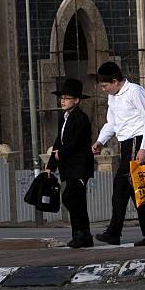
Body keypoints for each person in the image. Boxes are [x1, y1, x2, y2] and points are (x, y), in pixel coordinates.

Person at [91, 61, 145, 246]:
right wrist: (101, 140)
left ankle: (114, 232)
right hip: (126, 144)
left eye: (105, 85)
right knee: (137, 190)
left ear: (115, 81)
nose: (104, 89)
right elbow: (112, 123)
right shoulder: (113, 97)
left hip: (137, 141)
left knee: (122, 188)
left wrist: (144, 148)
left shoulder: (134, 91)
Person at [46, 78, 94, 248]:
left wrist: (61, 154)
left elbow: (76, 142)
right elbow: (58, 141)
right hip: (69, 168)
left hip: (80, 167)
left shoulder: (81, 118)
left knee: (71, 197)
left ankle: (82, 234)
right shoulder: (64, 118)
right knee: (76, 200)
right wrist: (50, 165)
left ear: (76, 100)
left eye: (67, 98)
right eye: (62, 98)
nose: (63, 101)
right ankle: (81, 235)